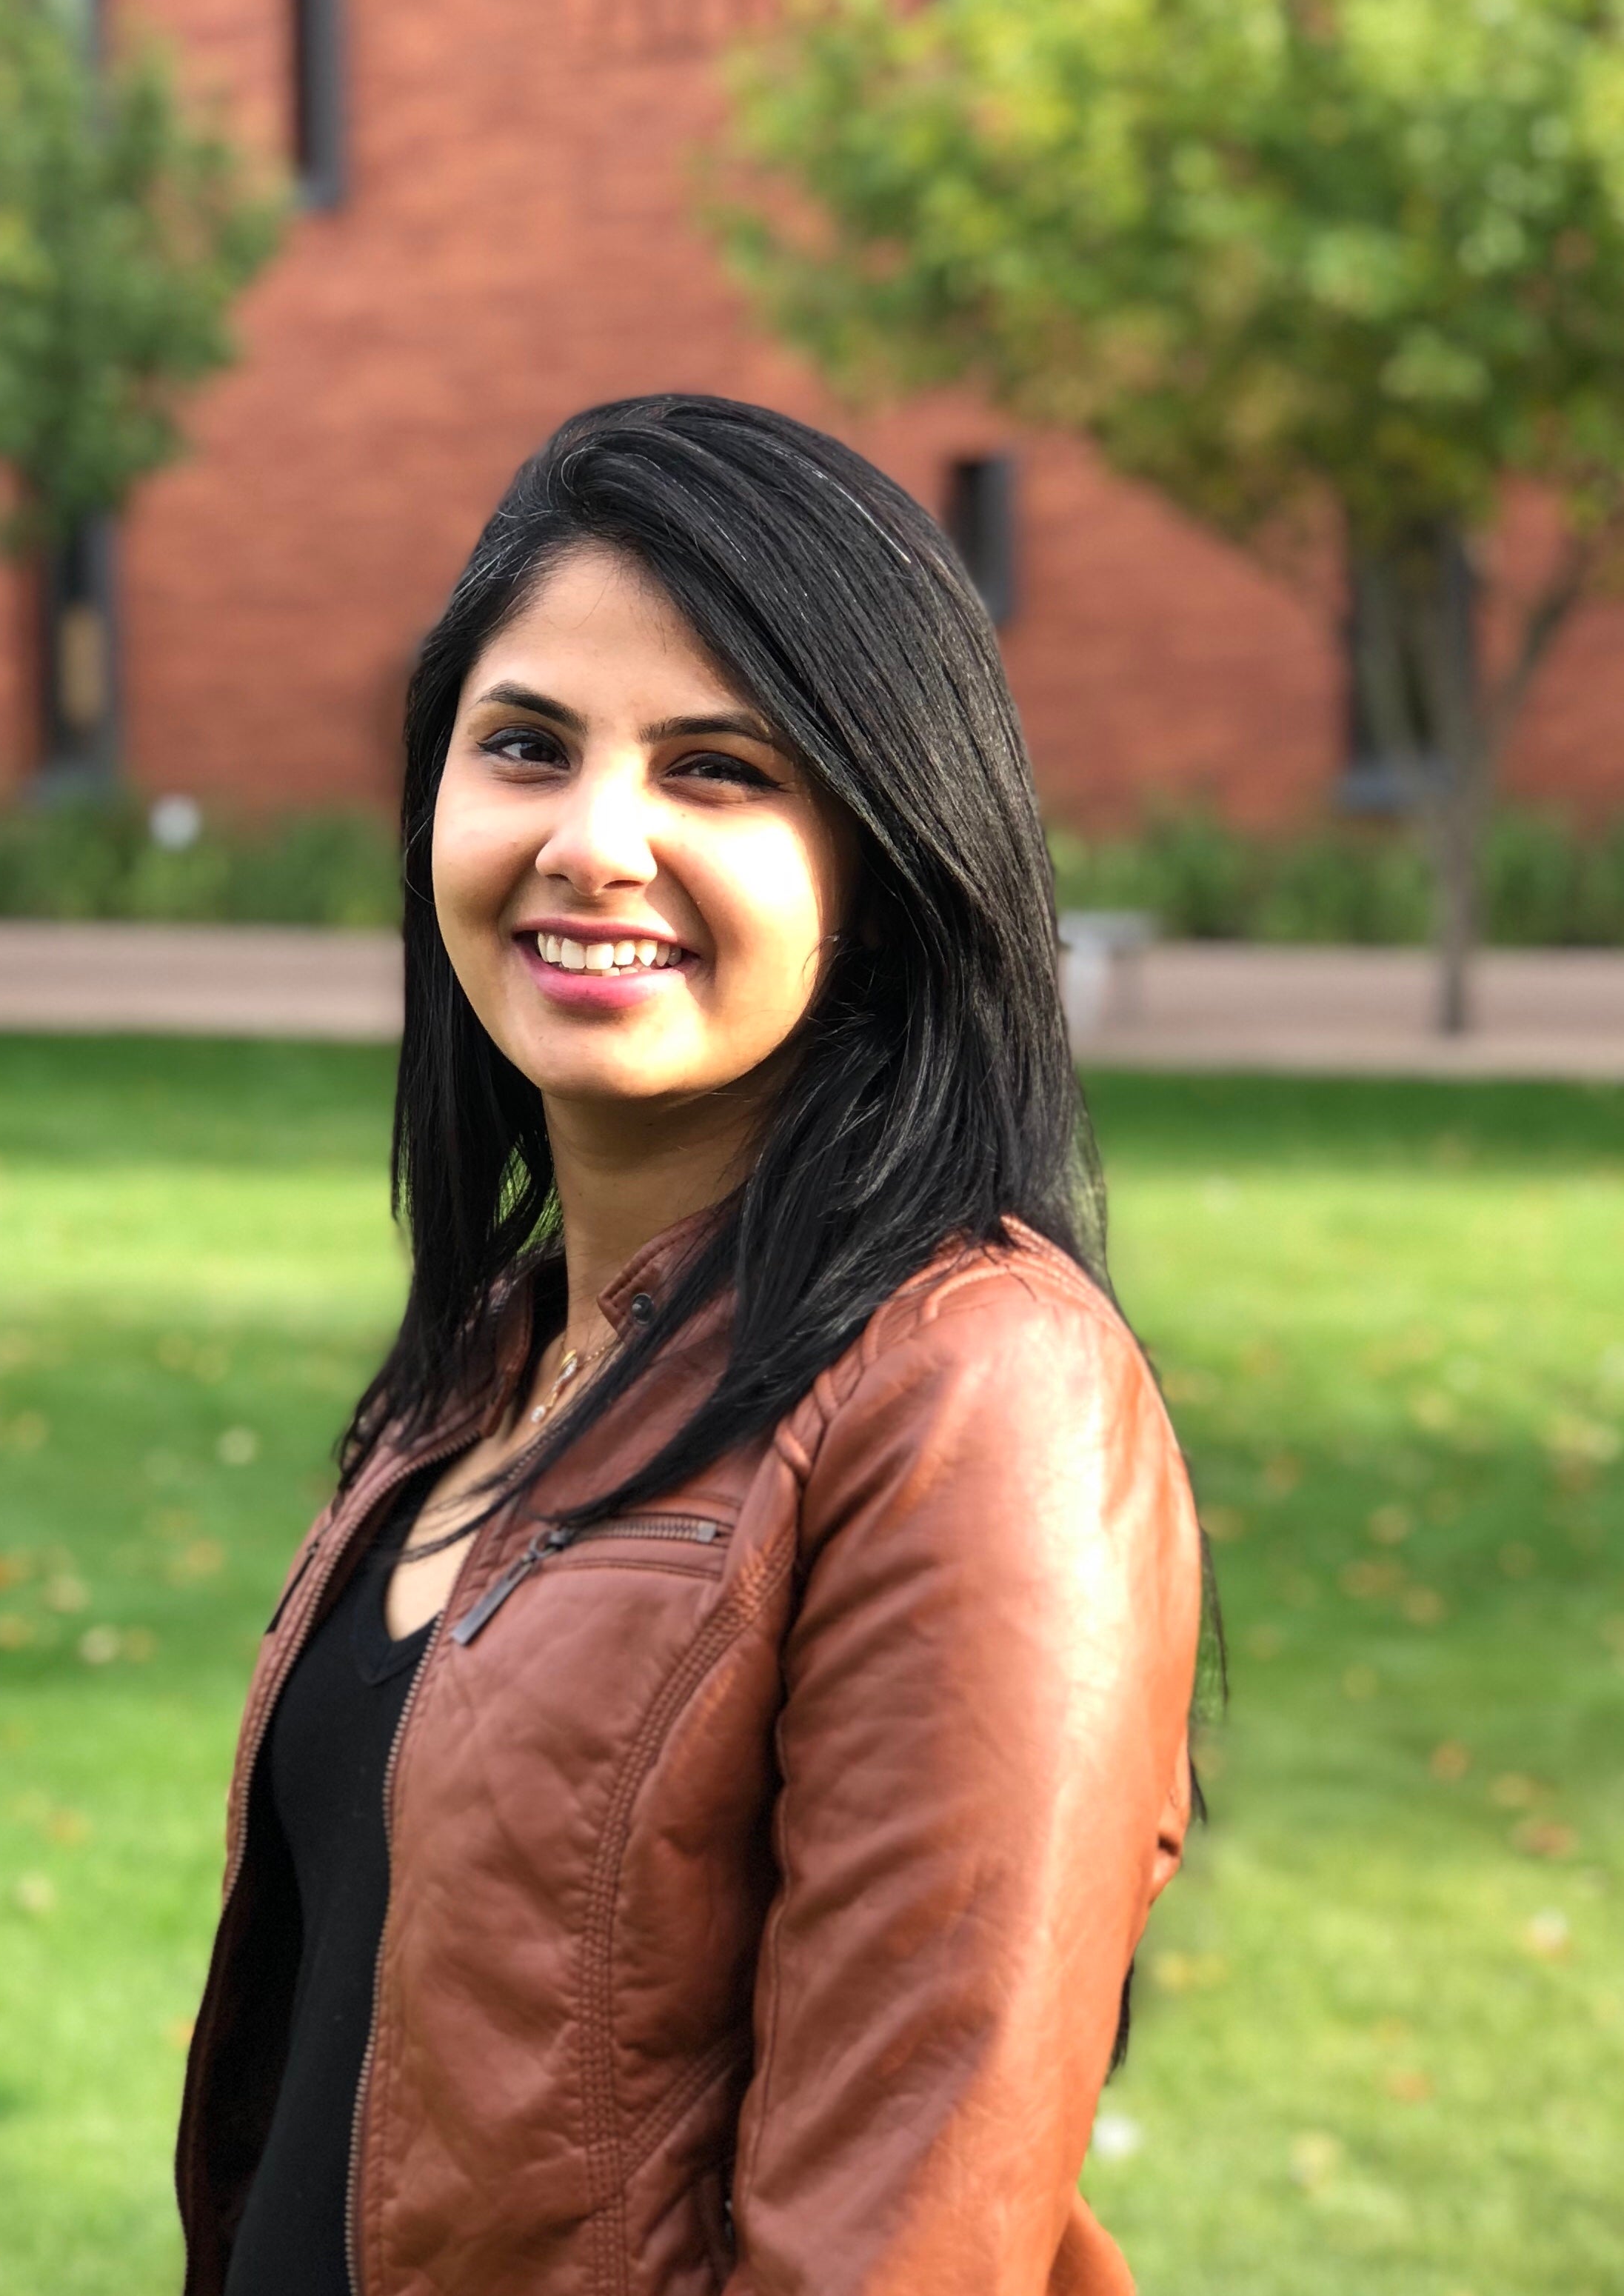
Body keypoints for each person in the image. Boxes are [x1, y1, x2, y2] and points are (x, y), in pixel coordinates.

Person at [176, 394, 1212, 2296]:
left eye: (718, 769)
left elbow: (898, 2249)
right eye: (527, 747)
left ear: (887, 856)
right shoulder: (488, 1362)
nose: (594, 839)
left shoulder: (973, 1398)